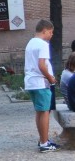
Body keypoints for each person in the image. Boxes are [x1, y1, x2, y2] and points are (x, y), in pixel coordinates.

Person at [24, 18, 58, 151]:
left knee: (39, 112)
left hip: (31, 82)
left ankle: (42, 139)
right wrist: (50, 78)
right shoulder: (43, 44)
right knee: (45, 112)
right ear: (44, 31)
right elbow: (41, 65)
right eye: (50, 32)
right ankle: (44, 143)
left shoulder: (30, 43)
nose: (51, 35)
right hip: (40, 81)